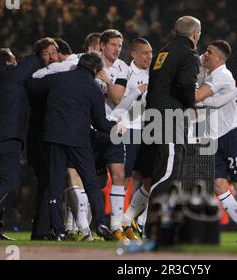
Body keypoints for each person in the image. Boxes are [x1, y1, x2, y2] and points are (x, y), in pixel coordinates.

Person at [27, 53, 121, 241]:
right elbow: (100, 122)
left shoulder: (58, 78)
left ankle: (59, 231)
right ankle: (101, 224)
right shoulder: (93, 87)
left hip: (54, 137)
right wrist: (116, 128)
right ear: (95, 70)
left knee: (55, 186)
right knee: (91, 183)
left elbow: (31, 85)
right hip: (79, 140)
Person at [194, 40, 237, 241]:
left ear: (219, 58)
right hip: (210, 136)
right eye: (205, 51)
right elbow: (191, 58)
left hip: (230, 134)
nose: (205, 54)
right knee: (218, 185)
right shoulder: (207, 71)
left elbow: (200, 98)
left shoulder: (223, 75)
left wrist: (236, 91)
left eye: (209, 52)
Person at [144, 16, 201, 237]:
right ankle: (154, 228)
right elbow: (186, 84)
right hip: (169, 117)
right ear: (195, 34)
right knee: (168, 171)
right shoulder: (188, 53)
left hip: (155, 113)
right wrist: (190, 104)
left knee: (162, 168)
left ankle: (157, 224)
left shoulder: (162, 51)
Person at [0, 48, 42, 240]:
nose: (16, 62)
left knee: (0, 182)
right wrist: (40, 53)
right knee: (10, 182)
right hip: (7, 137)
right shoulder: (5, 74)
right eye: (14, 59)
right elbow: (25, 67)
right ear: (7, 62)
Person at [110, 38, 152, 238]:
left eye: (150, 53)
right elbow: (119, 101)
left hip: (149, 130)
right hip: (130, 129)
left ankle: (133, 219)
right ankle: (117, 223)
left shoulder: (155, 74)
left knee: (151, 178)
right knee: (125, 178)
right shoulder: (125, 73)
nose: (149, 57)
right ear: (134, 54)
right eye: (144, 53)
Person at [95, 29, 130, 240]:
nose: (117, 49)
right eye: (113, 45)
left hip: (114, 128)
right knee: (95, 182)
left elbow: (117, 98)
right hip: (91, 129)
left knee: (118, 175)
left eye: (120, 45)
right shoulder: (89, 63)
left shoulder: (122, 68)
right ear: (102, 44)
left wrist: (107, 81)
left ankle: (116, 226)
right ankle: (78, 226)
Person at [28, 37, 60, 241]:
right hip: (41, 139)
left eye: (54, 52)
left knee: (49, 184)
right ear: (39, 56)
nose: (51, 57)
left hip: (49, 137)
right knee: (47, 183)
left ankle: (45, 228)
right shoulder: (37, 79)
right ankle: (42, 230)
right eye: (46, 53)